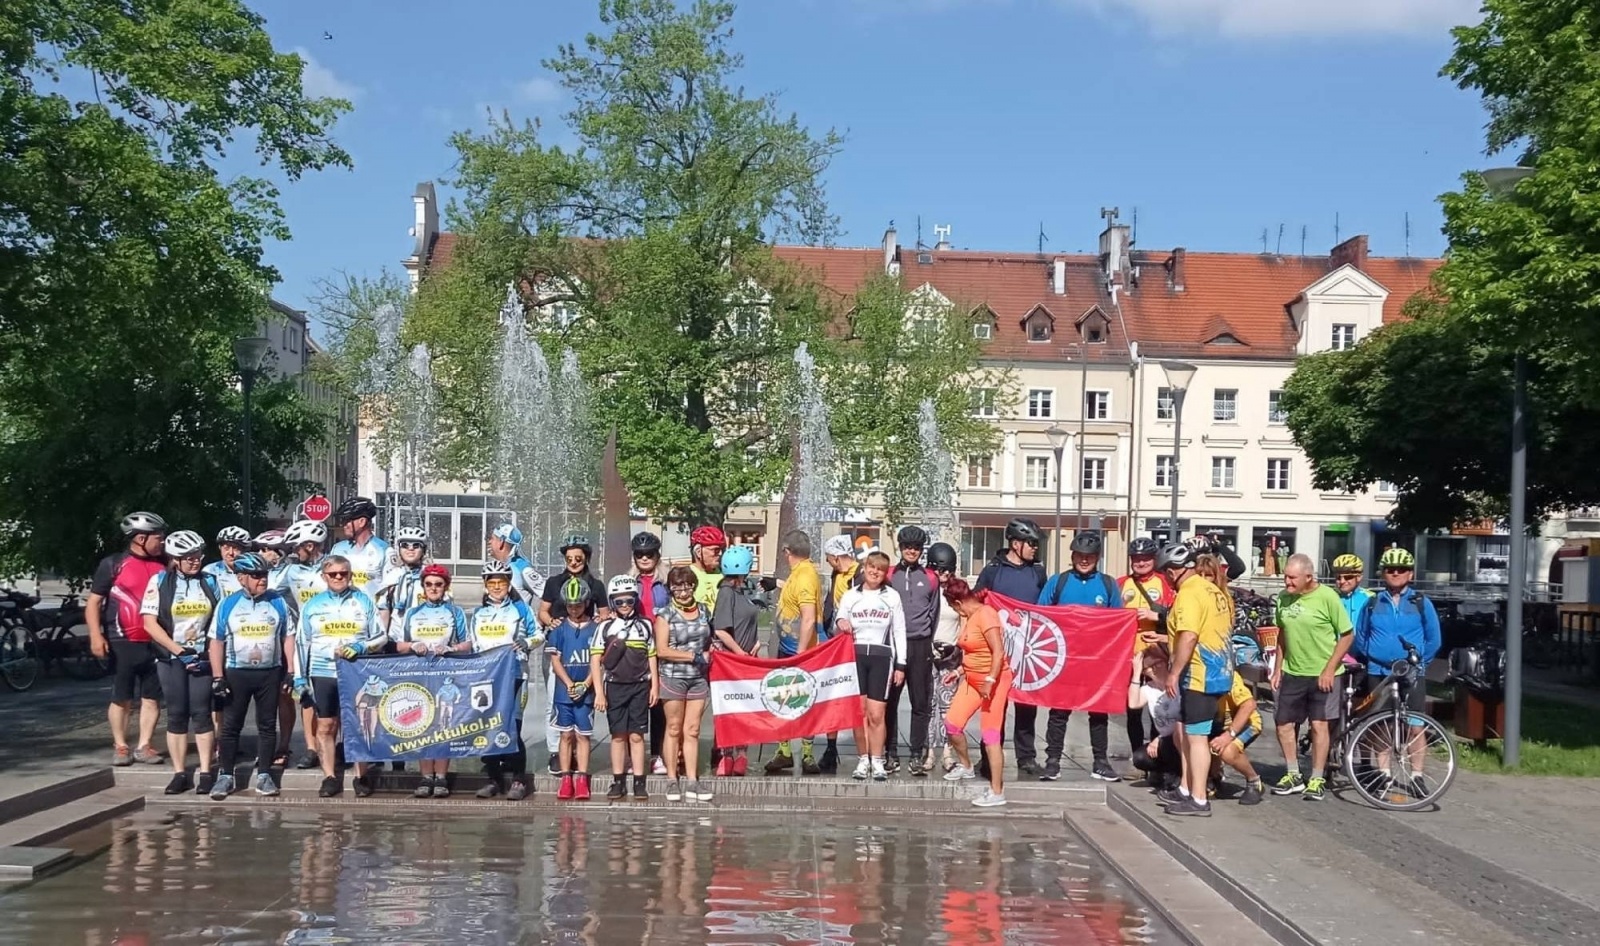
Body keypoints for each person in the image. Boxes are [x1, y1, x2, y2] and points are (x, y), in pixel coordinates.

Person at [1353, 547, 1442, 797]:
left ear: (1410, 574)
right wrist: (1371, 655)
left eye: (1400, 570)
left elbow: (1434, 638)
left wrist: (1418, 662)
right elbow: (1361, 636)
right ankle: (1384, 774)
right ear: (1383, 574)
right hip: (1379, 671)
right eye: (1390, 569)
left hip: (1411, 672)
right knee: (1381, 725)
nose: (1395, 573)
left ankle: (1417, 776)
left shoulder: (1421, 603)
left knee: (1415, 725)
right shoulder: (1373, 603)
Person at [207, 552, 298, 799]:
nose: (262, 579)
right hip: (236, 672)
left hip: (269, 672)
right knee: (230, 726)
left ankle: (265, 775)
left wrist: (291, 670)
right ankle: (225, 776)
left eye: (265, 574)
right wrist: (217, 677)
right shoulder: (227, 604)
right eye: (256, 575)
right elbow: (216, 642)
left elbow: (288, 637)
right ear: (241, 578)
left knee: (267, 725)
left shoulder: (278, 602)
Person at [1036, 530, 1122, 783]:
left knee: (1099, 712)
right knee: (1059, 712)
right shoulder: (1058, 581)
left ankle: (1101, 762)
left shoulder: (1108, 584)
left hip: (1096, 660)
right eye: (1080, 555)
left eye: (1090, 556)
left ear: (1097, 557)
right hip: (1065, 659)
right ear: (1073, 555)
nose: (1085, 560)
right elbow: (1041, 615)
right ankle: (1052, 761)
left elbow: (1118, 620)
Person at [139, 530, 221, 795]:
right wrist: (177, 650)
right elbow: (149, 623)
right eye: (188, 558)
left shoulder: (211, 580)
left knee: (201, 712)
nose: (195, 561)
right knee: (176, 715)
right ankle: (179, 773)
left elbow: (219, 619)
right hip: (170, 657)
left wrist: (207, 652)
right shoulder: (160, 581)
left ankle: (207, 771)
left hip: (202, 655)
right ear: (175, 558)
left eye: (198, 556)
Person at [87, 511, 171, 767]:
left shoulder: (165, 563)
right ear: (141, 538)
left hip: (156, 640)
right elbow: (93, 602)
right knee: (122, 696)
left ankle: (144, 745)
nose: (163, 541)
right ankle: (121, 745)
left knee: (151, 697)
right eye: (159, 537)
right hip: (123, 639)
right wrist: (95, 634)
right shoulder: (113, 564)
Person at [1157, 542, 1234, 817]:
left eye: (1165, 573)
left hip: (1201, 674)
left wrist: (1175, 673)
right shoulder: (1213, 590)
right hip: (1219, 672)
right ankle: (1188, 789)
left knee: (1198, 737)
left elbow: (1188, 635)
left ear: (1172, 571)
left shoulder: (1189, 594)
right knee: (1189, 734)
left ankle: (1199, 799)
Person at [297, 554, 384, 798]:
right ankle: (329, 777)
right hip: (322, 672)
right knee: (326, 725)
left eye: (343, 574)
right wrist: (299, 678)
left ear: (350, 575)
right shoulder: (312, 605)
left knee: (359, 725)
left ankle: (361, 776)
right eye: (332, 574)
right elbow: (302, 643)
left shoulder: (363, 601)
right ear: (324, 577)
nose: (338, 577)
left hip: (356, 672)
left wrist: (362, 647)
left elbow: (381, 637)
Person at [1270, 552, 1355, 801]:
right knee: (1283, 723)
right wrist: (1277, 667)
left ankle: (1317, 777)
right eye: (1285, 577)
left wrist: (1329, 669)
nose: (1287, 582)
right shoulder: (1284, 599)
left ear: (1309, 577)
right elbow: (1282, 632)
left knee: (1319, 726)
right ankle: (1293, 774)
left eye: (1292, 578)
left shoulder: (1327, 597)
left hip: (1323, 674)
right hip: (1293, 671)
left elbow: (1347, 635)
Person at [973, 517, 1046, 778]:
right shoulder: (993, 571)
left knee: (1027, 706)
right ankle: (988, 757)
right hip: (999, 650)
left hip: (1027, 650)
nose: (1035, 548)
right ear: (1015, 544)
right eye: (1031, 543)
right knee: (995, 707)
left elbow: (1045, 609)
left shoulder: (1037, 572)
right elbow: (977, 605)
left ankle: (1026, 758)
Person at [392, 563, 469, 798]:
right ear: (423, 587)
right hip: (418, 675)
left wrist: (451, 647)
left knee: (445, 726)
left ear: (446, 587)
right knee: (422, 724)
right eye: (429, 584)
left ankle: (442, 777)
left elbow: (468, 644)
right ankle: (426, 776)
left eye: (438, 584)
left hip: (446, 676)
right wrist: (413, 645)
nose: (433, 588)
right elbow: (398, 645)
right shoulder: (413, 613)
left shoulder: (455, 612)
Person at [470, 558, 541, 800]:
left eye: (501, 582)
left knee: (513, 728)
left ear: (509, 584)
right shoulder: (479, 613)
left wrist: (526, 642)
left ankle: (519, 781)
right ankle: (493, 779)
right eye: (492, 583)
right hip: (487, 679)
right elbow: (474, 645)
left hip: (515, 676)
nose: (497, 586)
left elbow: (539, 634)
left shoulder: (521, 609)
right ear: (485, 585)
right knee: (488, 728)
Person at [539, 535, 609, 774]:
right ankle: (555, 752)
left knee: (583, 704)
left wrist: (599, 620)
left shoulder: (596, 585)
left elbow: (605, 614)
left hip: (585, 650)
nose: (574, 562)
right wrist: (553, 622)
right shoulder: (554, 582)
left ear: (586, 558)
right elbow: (543, 612)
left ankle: (580, 754)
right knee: (554, 701)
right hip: (561, 645)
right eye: (569, 558)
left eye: (578, 558)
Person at [939, 577, 1011, 807]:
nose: (953, 611)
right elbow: (974, 653)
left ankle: (997, 791)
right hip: (971, 679)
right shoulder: (969, 617)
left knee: (990, 736)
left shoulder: (986, 614)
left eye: (952, 607)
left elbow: (997, 652)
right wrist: (959, 671)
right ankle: (966, 766)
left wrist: (990, 680)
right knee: (952, 724)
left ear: (958, 603)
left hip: (994, 682)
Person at [837, 550, 908, 782]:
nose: (875, 572)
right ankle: (862, 759)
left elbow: (899, 631)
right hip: (856, 656)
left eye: (880, 569)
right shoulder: (850, 595)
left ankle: (877, 760)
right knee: (860, 713)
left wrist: (901, 664)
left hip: (882, 656)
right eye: (871, 567)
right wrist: (842, 622)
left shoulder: (892, 596)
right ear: (864, 567)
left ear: (885, 572)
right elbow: (839, 619)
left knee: (877, 713)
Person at [591, 575, 658, 801]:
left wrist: (654, 686)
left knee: (637, 736)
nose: (625, 606)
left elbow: (652, 657)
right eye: (619, 602)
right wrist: (599, 692)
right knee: (618, 736)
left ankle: (639, 781)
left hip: (640, 686)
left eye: (629, 601)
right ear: (612, 603)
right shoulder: (605, 627)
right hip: (615, 686)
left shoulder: (645, 625)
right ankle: (618, 781)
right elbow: (595, 660)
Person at [765, 530, 823, 775]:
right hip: (787, 649)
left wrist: (800, 655)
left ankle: (807, 752)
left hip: (799, 653)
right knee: (782, 698)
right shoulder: (800, 573)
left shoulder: (806, 576)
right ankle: (785, 751)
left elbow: (808, 619)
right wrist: (777, 584)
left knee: (803, 701)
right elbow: (795, 590)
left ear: (787, 552)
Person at [656, 565, 715, 802]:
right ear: (670, 589)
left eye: (687, 585)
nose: (683, 591)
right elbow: (662, 650)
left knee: (692, 730)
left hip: (698, 679)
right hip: (673, 677)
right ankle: (672, 779)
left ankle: (692, 780)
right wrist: (693, 656)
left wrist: (712, 651)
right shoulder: (665, 614)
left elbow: (709, 640)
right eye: (677, 587)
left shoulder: (703, 610)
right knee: (673, 728)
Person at [274, 519, 329, 770]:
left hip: (330, 638)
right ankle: (310, 748)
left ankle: (329, 744)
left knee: (329, 697)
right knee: (306, 695)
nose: (293, 551)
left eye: (296, 546)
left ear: (309, 545)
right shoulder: (292, 570)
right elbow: (273, 591)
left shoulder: (332, 566)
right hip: (304, 640)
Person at [885, 525, 938, 776]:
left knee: (921, 702)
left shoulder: (930, 577)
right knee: (889, 702)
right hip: (894, 645)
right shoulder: (888, 575)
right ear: (900, 547)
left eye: (916, 547)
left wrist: (927, 640)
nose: (912, 551)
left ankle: (916, 754)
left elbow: (934, 613)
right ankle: (890, 753)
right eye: (907, 546)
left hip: (920, 644)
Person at [1119, 536, 1175, 768]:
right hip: (1129, 657)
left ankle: (1157, 755)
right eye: (1136, 559)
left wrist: (1157, 616)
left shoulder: (1164, 583)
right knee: (1131, 711)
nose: (1140, 563)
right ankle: (1136, 754)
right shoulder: (1121, 583)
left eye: (1145, 559)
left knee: (1157, 709)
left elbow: (1177, 615)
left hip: (1157, 656)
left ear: (1154, 559)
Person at [547, 577, 600, 801]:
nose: (574, 609)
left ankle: (581, 778)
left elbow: (600, 661)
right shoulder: (559, 629)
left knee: (583, 736)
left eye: (578, 604)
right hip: (564, 692)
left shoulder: (596, 628)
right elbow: (555, 660)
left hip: (586, 692)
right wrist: (569, 684)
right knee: (566, 735)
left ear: (586, 603)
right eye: (570, 605)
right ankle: (566, 777)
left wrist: (587, 684)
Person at [710, 545, 760, 776]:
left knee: (745, 709)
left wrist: (757, 644)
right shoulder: (726, 592)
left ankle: (741, 754)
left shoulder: (741, 592)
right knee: (729, 709)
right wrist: (740, 651)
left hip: (747, 659)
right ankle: (727, 755)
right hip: (732, 661)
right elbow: (720, 630)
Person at [815, 533, 860, 774]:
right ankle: (831, 747)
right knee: (832, 695)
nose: (828, 562)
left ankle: (868, 752)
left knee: (855, 698)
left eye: (829, 558)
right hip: (835, 641)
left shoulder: (858, 575)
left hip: (854, 644)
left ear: (835, 557)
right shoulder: (838, 574)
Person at [630, 530, 672, 775]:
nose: (644, 558)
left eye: (649, 554)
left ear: (657, 555)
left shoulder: (666, 582)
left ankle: (657, 755)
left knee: (658, 706)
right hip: (635, 649)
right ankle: (632, 754)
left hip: (661, 646)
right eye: (640, 554)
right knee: (635, 704)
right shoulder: (628, 581)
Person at [925, 542, 963, 774]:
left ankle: (948, 752)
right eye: (941, 570)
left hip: (950, 656)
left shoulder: (956, 592)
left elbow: (965, 620)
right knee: (928, 706)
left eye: (949, 570)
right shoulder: (925, 590)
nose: (945, 575)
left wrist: (958, 647)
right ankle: (929, 751)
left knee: (948, 707)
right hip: (927, 654)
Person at [328, 497, 392, 602]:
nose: (343, 525)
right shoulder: (337, 549)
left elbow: (389, 592)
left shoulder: (383, 550)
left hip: (371, 613)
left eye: (346, 520)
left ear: (362, 522)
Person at [377, 526, 431, 631]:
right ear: (399, 549)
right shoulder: (392, 576)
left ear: (423, 550)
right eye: (405, 545)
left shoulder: (432, 575)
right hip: (396, 637)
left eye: (416, 545)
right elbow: (383, 610)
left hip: (425, 636)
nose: (410, 549)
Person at [486, 522, 546, 604]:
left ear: (501, 541)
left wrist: (546, 615)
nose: (489, 542)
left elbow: (550, 595)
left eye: (492, 538)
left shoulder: (523, 569)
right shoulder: (497, 567)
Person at [1332, 553, 1374, 632]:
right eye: (1338, 577)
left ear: (1359, 577)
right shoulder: (1329, 596)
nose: (1342, 581)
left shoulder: (1370, 598)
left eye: (1348, 577)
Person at [205, 526, 251, 597]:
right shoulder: (210, 572)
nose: (230, 553)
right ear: (220, 548)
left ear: (245, 550)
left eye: (235, 548)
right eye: (226, 548)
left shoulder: (254, 572)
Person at [688, 525, 726, 612]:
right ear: (698, 552)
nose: (720, 554)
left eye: (721, 550)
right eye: (715, 550)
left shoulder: (724, 576)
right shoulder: (686, 575)